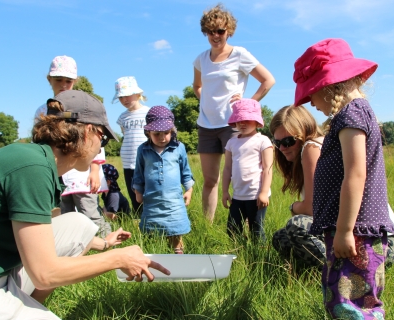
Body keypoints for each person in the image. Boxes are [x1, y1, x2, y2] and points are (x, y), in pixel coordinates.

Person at [0, 90, 169, 320]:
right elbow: (44, 274)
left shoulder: (34, 160)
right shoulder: (32, 168)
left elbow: (39, 235)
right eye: (102, 139)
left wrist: (104, 244)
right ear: (88, 132)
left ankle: (28, 316)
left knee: (78, 224)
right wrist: (119, 258)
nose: (100, 149)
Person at [293, 38, 394, 320]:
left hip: (357, 232)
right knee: (343, 297)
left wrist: (345, 229)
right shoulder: (352, 114)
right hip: (351, 230)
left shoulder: (351, 115)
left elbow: (356, 173)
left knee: (355, 303)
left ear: (329, 85)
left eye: (313, 92)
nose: (311, 101)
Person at [270, 105, 394, 268]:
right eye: (277, 142)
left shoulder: (311, 148)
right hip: (378, 237)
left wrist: (294, 207)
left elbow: (311, 209)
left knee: (296, 226)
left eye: (289, 141)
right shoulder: (320, 146)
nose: (282, 148)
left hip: (375, 240)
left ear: (304, 133)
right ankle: (323, 271)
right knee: (281, 238)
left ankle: (339, 272)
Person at [192, 4, 275, 223]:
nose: (215, 36)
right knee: (210, 180)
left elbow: (268, 80)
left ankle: (247, 226)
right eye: (210, 31)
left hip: (234, 125)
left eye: (220, 31)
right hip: (206, 126)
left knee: (241, 178)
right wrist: (206, 102)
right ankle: (207, 226)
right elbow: (197, 86)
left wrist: (249, 103)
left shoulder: (240, 55)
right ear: (205, 33)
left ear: (228, 31)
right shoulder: (201, 59)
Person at [34, 55, 111, 236]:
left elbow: (95, 141)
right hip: (57, 172)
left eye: (68, 81)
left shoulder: (82, 106)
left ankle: (106, 239)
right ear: (49, 80)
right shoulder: (43, 110)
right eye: (58, 80)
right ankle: (74, 243)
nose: (63, 84)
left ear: (75, 81)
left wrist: (94, 171)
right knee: (64, 213)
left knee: (89, 210)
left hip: (81, 174)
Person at [133, 106, 194, 254]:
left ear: (172, 131)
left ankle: (178, 257)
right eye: (156, 134)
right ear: (148, 133)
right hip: (152, 200)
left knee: (175, 231)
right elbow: (138, 173)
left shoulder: (178, 148)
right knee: (153, 231)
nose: (162, 138)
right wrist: (138, 192)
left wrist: (189, 190)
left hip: (174, 201)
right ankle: (156, 257)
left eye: (166, 133)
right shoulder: (143, 150)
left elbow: (185, 171)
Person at [221, 99, 273, 240]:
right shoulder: (232, 142)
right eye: (238, 120)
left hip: (256, 195)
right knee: (232, 230)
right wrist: (225, 191)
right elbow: (227, 169)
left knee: (256, 231)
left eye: (247, 119)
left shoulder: (263, 140)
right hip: (238, 196)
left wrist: (263, 193)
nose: (242, 123)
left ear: (257, 121)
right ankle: (238, 254)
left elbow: (268, 167)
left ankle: (257, 257)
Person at [114, 76, 149, 215]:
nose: (124, 100)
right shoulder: (122, 117)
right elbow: (125, 135)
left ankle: (153, 220)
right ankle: (138, 221)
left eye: (128, 95)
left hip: (145, 160)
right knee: (133, 192)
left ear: (138, 93)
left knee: (148, 192)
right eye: (121, 97)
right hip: (128, 162)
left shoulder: (148, 112)